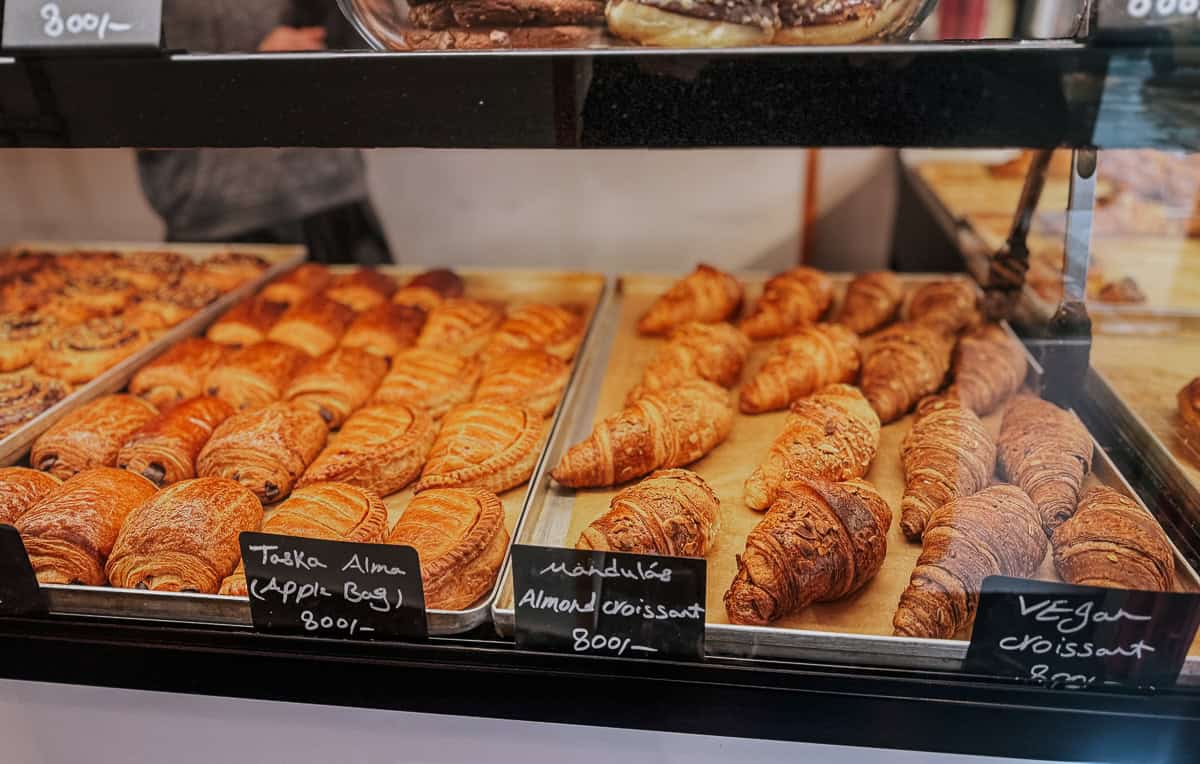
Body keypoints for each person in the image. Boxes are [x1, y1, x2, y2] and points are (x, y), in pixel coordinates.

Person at [137, 1, 390, 264]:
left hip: (335, 201)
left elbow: (374, 65)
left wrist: (378, 14)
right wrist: (251, 77)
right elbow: (132, 114)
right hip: (218, 219)